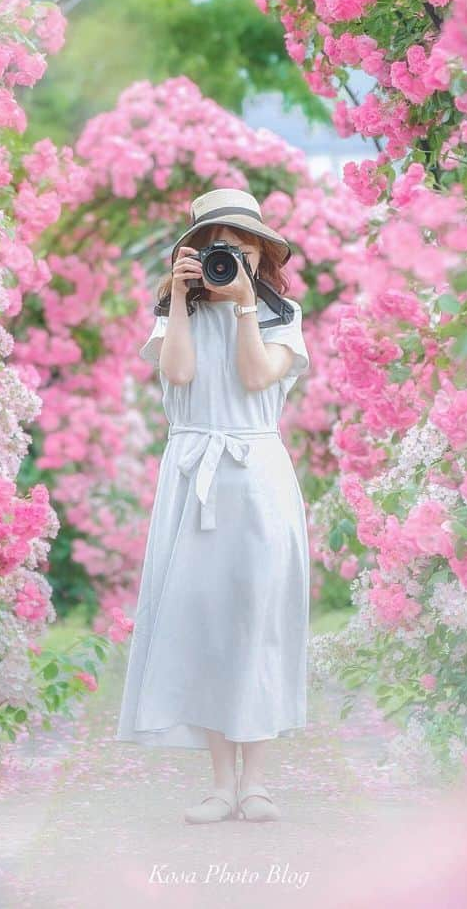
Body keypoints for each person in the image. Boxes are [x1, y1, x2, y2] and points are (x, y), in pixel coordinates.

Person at [115, 187, 311, 824]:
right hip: (193, 473)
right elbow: (177, 375)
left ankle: (257, 783)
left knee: (257, 623)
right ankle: (221, 784)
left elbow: (256, 378)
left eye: (242, 250)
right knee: (204, 627)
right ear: (195, 254)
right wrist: (177, 300)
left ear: (261, 257)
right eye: (217, 249)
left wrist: (248, 308)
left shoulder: (285, 317)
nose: (230, 260)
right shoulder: (176, 314)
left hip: (256, 479)